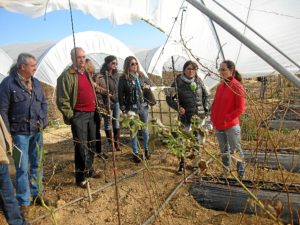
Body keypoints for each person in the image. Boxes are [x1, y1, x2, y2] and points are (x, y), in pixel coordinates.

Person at [0, 53, 49, 218]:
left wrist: (43, 119)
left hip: (37, 132)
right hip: (17, 135)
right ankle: (23, 202)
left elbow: (43, 102)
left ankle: (37, 195)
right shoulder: (8, 84)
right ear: (22, 67)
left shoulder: (35, 82)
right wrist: (8, 136)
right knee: (21, 168)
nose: (35, 68)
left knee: (37, 164)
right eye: (32, 65)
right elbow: (2, 111)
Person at [56, 47, 100, 188]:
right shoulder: (66, 76)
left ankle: (89, 169)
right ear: (72, 59)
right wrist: (72, 117)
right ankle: (80, 177)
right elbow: (62, 100)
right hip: (79, 115)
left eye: (83, 56)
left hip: (92, 114)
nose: (82, 59)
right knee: (81, 147)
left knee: (92, 144)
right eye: (79, 57)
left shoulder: (86, 73)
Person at [166, 60, 210, 174]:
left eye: (193, 69)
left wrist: (205, 110)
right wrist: (178, 107)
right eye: (189, 69)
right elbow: (169, 98)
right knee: (182, 141)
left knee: (197, 140)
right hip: (185, 117)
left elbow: (207, 97)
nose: (191, 71)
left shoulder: (199, 81)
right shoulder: (177, 82)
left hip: (198, 116)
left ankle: (195, 163)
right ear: (184, 70)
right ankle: (182, 164)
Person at [210, 60, 246, 179]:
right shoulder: (220, 86)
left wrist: (227, 118)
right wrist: (213, 119)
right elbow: (215, 105)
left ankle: (241, 174)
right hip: (219, 125)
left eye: (223, 69)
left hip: (231, 126)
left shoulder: (236, 86)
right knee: (224, 150)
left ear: (231, 71)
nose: (221, 72)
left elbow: (240, 109)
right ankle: (226, 172)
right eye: (220, 69)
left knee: (235, 150)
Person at [118, 56, 151, 163]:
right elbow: (120, 94)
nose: (135, 65)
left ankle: (146, 150)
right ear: (128, 65)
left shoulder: (141, 76)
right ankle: (135, 153)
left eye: (136, 63)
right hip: (132, 108)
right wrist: (123, 109)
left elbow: (149, 84)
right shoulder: (123, 78)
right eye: (132, 64)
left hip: (144, 106)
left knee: (145, 130)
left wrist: (146, 86)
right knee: (134, 131)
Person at [0, 115, 29, 225]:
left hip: (2, 155)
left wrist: (8, 139)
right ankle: (23, 201)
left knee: (8, 196)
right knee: (22, 169)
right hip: (18, 133)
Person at [98, 55, 121, 152]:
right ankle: (110, 144)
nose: (115, 65)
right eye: (113, 63)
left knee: (116, 122)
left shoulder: (117, 75)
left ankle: (117, 143)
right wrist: (107, 95)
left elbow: (119, 88)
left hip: (116, 101)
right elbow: (99, 89)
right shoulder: (102, 76)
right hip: (107, 102)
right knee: (107, 123)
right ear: (107, 64)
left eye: (116, 63)